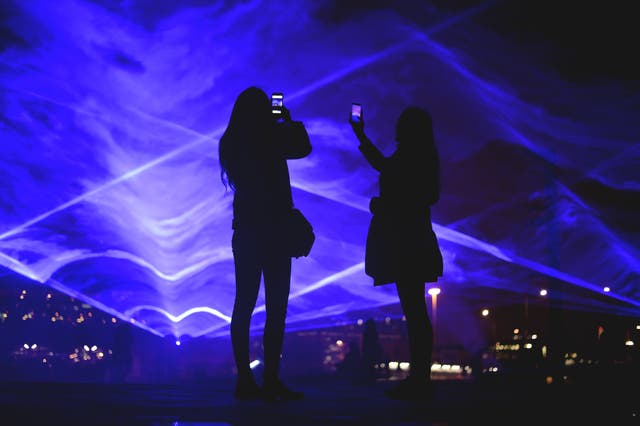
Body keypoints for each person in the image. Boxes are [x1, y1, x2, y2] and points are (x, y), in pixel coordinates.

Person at [219, 86, 311, 401]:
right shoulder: (271, 139)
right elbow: (303, 147)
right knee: (276, 307)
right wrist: (286, 120)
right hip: (273, 230)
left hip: (247, 231)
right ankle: (270, 380)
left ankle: (245, 380)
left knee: (243, 304)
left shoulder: (232, 142)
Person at [349, 105, 443, 400]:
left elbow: (392, 176)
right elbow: (390, 170)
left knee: (414, 311)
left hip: (407, 242)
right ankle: (420, 379)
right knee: (415, 311)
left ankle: (419, 381)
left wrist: (384, 206)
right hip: (413, 239)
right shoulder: (422, 156)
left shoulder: (412, 157)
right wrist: (361, 136)